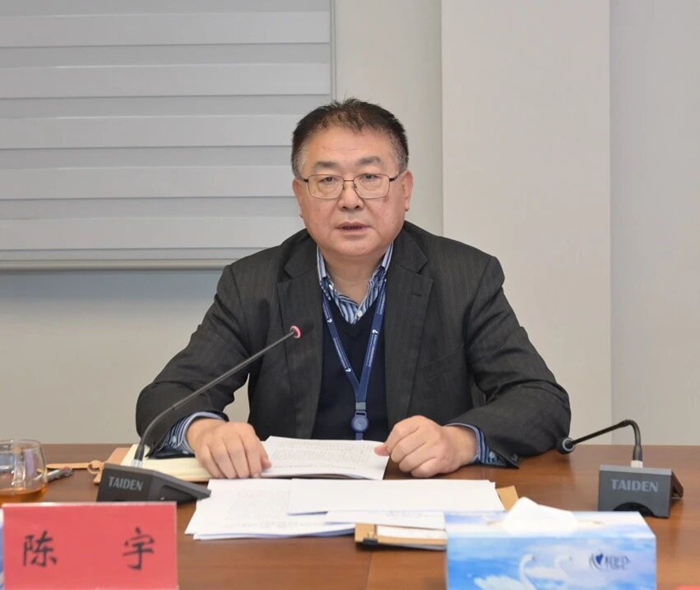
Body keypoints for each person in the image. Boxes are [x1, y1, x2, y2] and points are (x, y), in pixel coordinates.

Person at [136, 98, 570, 479]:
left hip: (418, 497)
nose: (350, 200)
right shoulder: (253, 284)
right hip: (289, 507)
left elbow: (542, 401)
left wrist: (459, 441)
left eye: (370, 177)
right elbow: (164, 397)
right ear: (300, 196)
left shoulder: (465, 277)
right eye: (327, 181)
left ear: (405, 191)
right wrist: (204, 431)